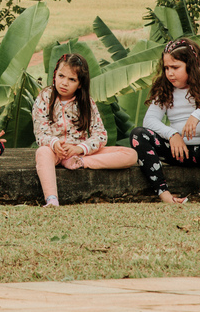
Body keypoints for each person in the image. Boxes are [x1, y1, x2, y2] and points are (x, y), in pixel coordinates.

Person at [131, 38, 200, 205]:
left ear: (191, 65)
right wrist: (172, 134)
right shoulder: (165, 89)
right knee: (138, 134)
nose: (169, 73)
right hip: (177, 152)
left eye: (175, 68)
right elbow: (149, 120)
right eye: (166, 68)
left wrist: (199, 114)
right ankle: (165, 195)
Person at [32, 52, 137, 207]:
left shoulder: (87, 103)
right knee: (41, 152)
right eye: (61, 76)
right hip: (53, 150)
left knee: (131, 154)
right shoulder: (45, 97)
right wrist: (54, 143)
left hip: (79, 152)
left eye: (72, 79)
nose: (64, 83)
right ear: (55, 75)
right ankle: (52, 199)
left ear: (80, 83)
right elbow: (40, 130)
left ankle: (80, 163)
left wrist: (80, 149)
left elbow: (100, 135)